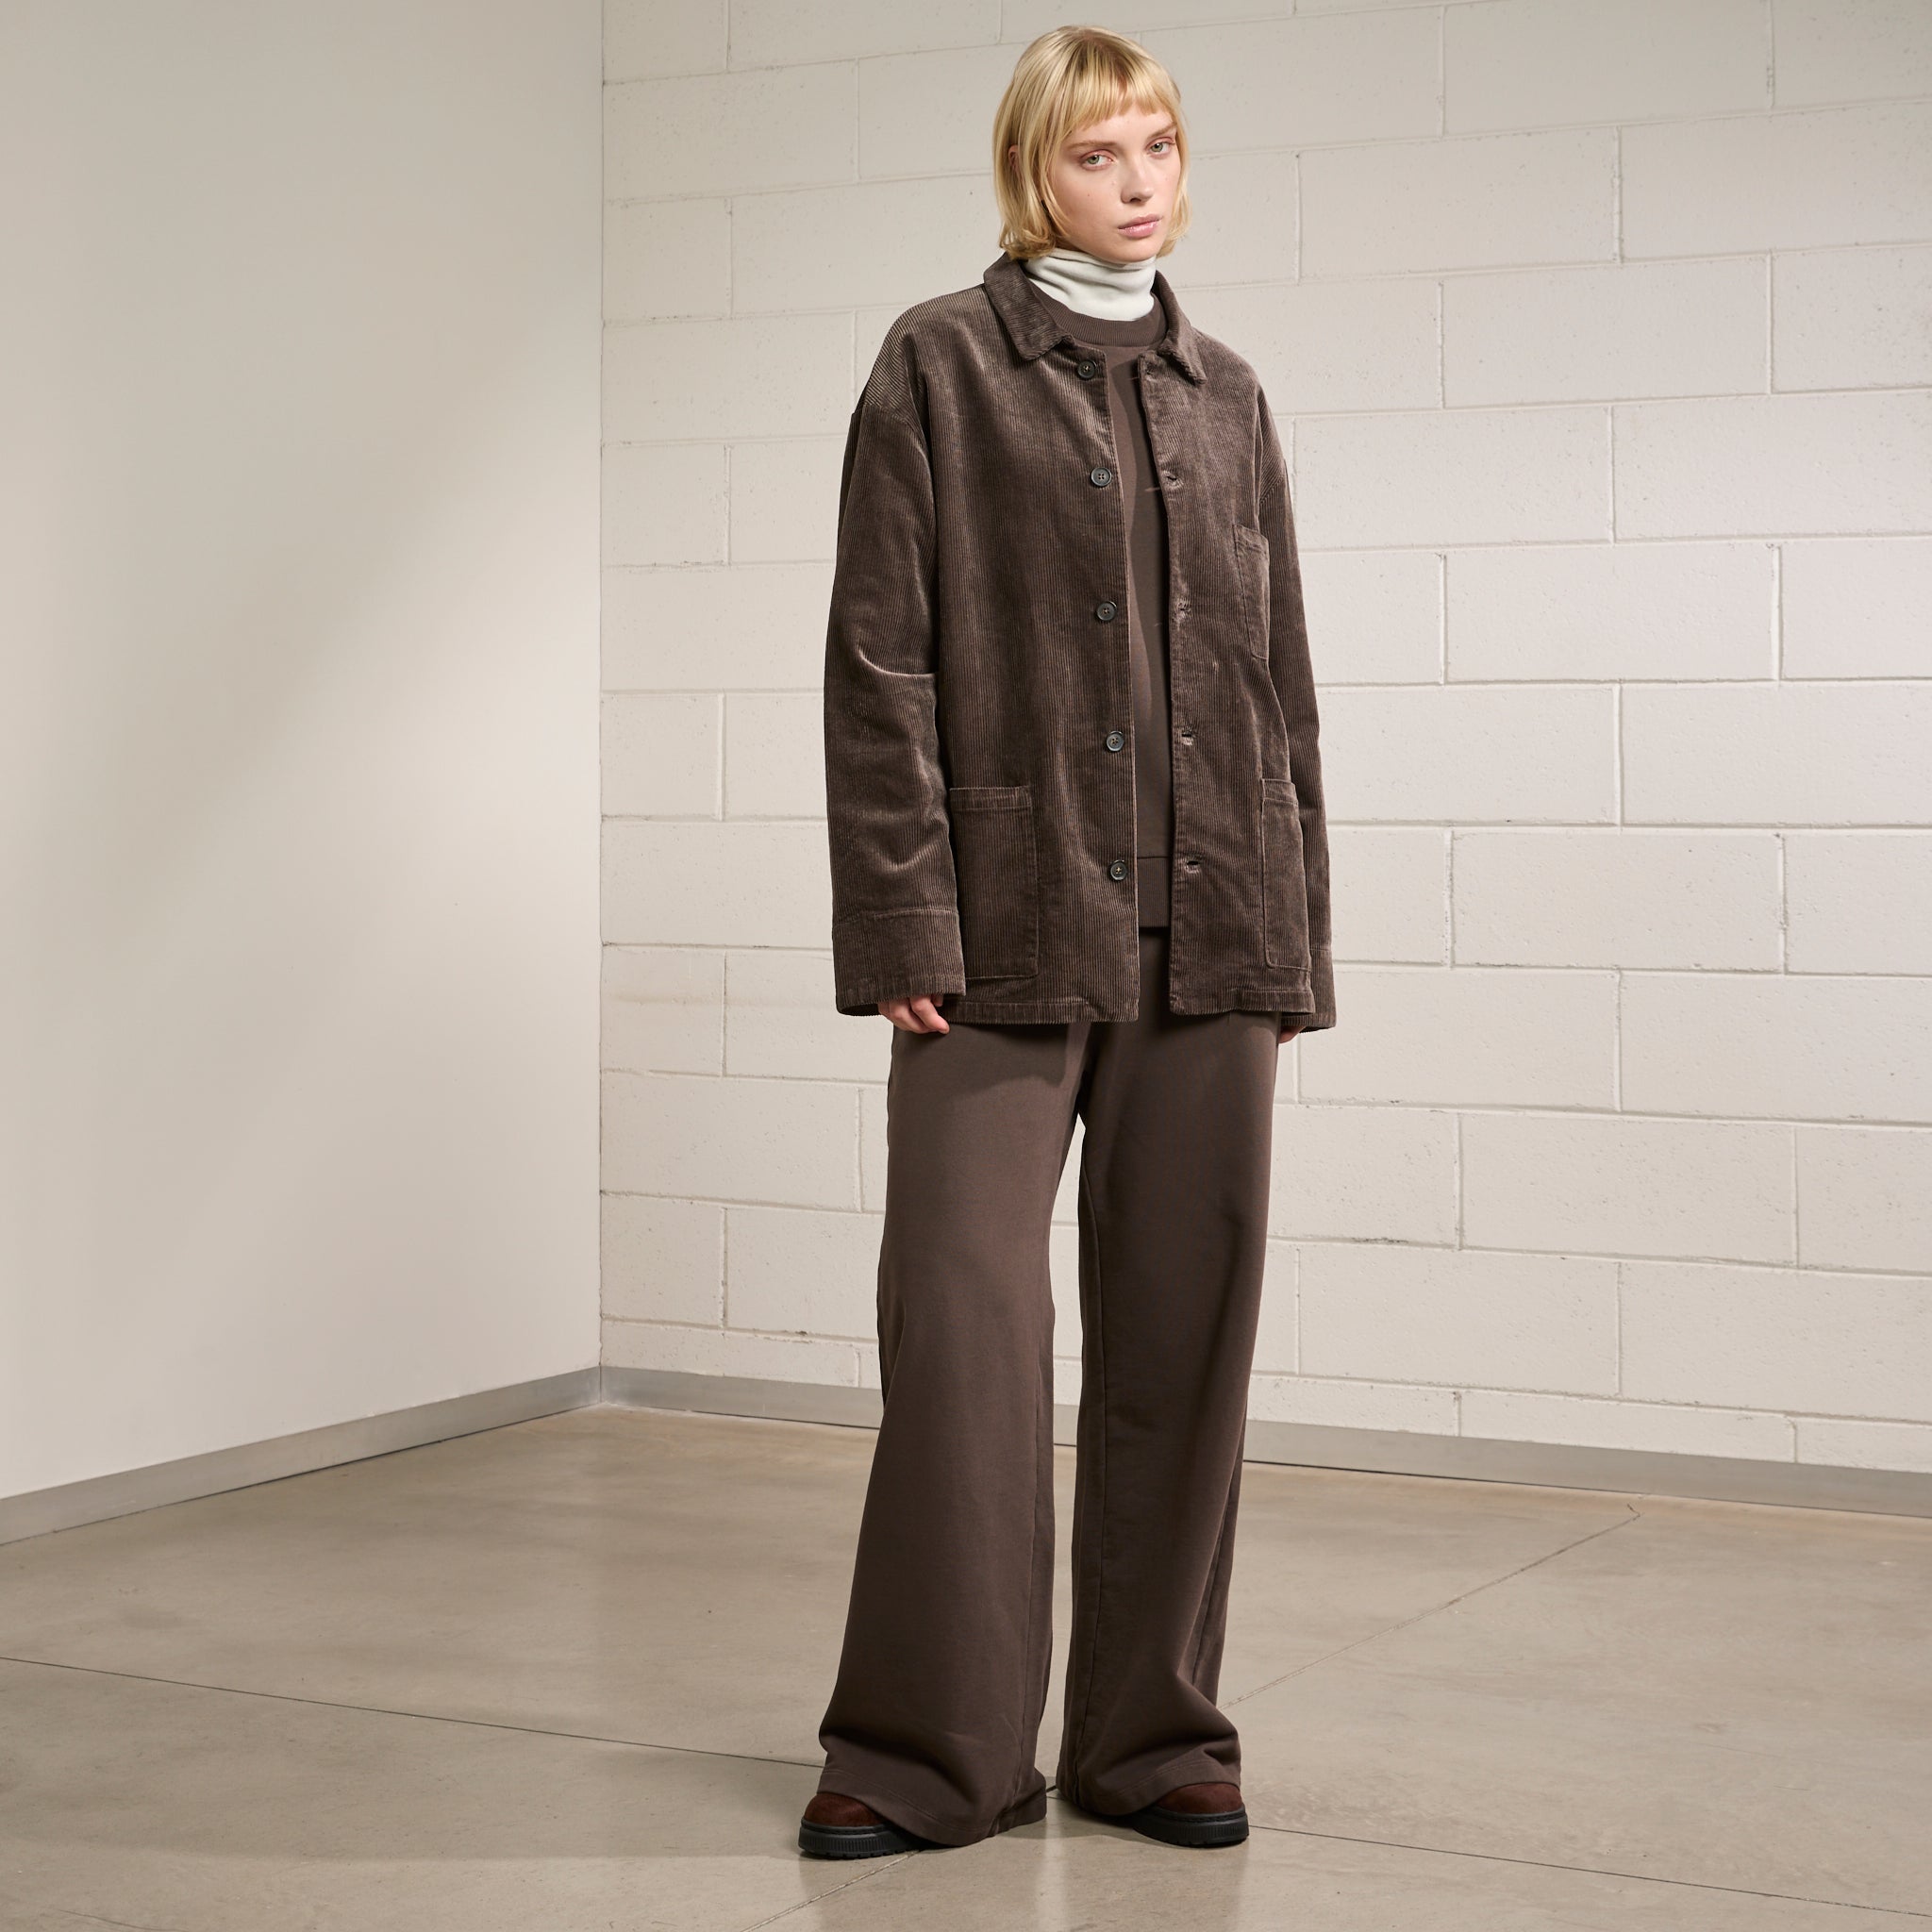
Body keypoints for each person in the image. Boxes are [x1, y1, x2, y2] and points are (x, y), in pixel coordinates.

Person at [799, 25, 1335, 1860]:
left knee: (1186, 1335)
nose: (1138, 181)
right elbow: (878, 661)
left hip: (1216, 935)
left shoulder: (1224, 392)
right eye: (1100, 153)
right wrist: (899, 911)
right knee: (962, 1332)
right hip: (1001, 932)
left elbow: (1279, 684)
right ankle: (925, 1752)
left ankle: (1150, 1734)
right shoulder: (938, 363)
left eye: (1158, 146)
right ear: (1035, 173)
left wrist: (1294, 937)